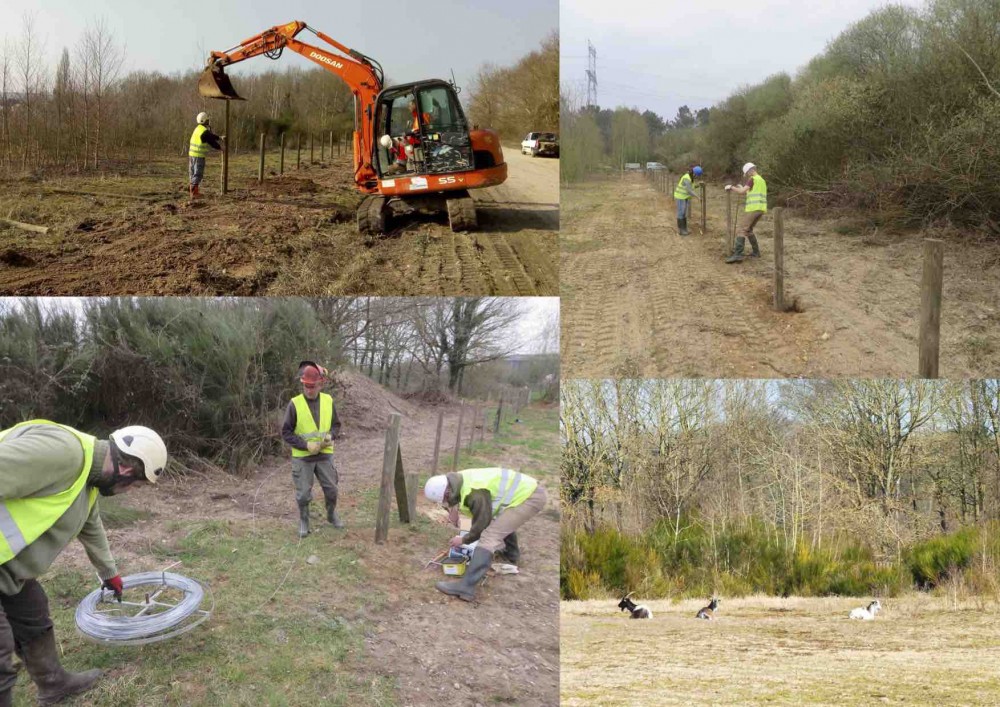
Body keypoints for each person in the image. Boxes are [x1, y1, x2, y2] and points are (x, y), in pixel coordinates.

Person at [0, 420, 167, 706]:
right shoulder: (62, 453)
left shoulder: (88, 478)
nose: (130, 493)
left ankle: (54, 685)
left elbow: (91, 525)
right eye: (136, 486)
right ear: (126, 470)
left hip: (8, 568)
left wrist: (109, 573)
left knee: (33, 611)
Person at [423, 468, 547, 602]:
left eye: (445, 500)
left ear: (448, 492)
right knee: (500, 523)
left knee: (489, 536)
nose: (445, 503)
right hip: (528, 490)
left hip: (530, 497)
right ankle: (511, 555)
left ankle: (466, 587)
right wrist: (452, 510)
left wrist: (464, 539)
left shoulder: (475, 493)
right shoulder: (457, 481)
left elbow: (482, 524)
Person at [281, 361, 343, 537]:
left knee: (332, 490)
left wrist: (330, 436)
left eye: (312, 386)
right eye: (306, 386)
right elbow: (286, 432)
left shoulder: (328, 401)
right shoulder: (294, 404)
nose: (309, 389)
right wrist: (306, 445)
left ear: (320, 384)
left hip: (325, 455)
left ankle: (331, 515)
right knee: (303, 495)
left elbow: (336, 425)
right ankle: (304, 520)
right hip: (302, 457)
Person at [724, 162, 767, 263]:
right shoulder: (761, 180)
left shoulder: (752, 179)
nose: (747, 175)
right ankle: (756, 252)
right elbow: (749, 191)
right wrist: (740, 187)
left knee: (742, 230)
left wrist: (731, 187)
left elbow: (742, 192)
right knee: (749, 230)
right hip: (761, 209)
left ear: (750, 170)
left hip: (753, 208)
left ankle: (738, 255)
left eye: (747, 173)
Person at [188, 112, 223, 201]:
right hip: (198, 156)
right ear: (204, 120)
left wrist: (219, 137)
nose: (208, 121)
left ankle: (192, 191)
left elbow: (210, 136)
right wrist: (220, 148)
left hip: (192, 155)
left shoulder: (198, 129)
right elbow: (211, 141)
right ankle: (194, 193)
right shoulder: (204, 131)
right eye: (207, 120)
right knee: (198, 174)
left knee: (192, 173)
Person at [673, 164, 702, 236]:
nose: (697, 177)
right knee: (681, 212)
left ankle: (684, 229)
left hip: (684, 197)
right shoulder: (687, 178)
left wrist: (699, 185)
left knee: (683, 212)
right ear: (694, 173)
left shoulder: (691, 178)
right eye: (697, 175)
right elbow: (689, 190)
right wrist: (697, 197)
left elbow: (692, 187)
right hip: (680, 197)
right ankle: (681, 230)